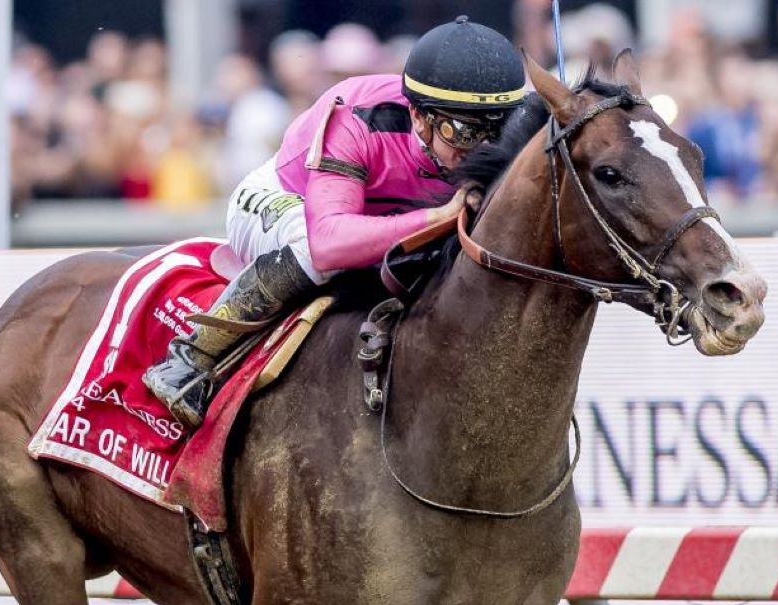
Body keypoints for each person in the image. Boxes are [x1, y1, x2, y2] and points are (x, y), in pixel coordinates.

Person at [143, 16, 526, 427]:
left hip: (386, 219)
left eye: (497, 132)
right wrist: (437, 217)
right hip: (292, 202)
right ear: (418, 116)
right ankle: (189, 359)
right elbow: (329, 239)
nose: (483, 149)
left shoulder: (493, 131)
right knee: (318, 253)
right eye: (464, 133)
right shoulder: (359, 117)